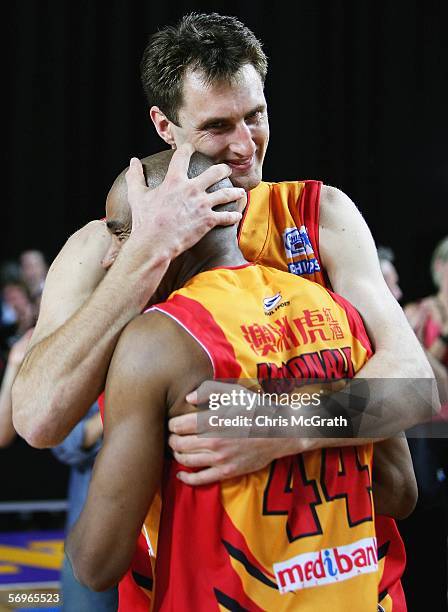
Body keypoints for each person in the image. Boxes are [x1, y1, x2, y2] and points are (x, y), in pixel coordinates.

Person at [11, 11, 433, 610]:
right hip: (174, 561)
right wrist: (147, 257)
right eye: (216, 127)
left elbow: (416, 391)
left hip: (338, 573)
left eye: (255, 115)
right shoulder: (104, 243)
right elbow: (38, 419)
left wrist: (276, 425)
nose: (244, 146)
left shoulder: (322, 214)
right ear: (165, 125)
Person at [67, 151, 416, 611]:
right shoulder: (339, 311)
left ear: (177, 220)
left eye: (121, 232)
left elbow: (96, 564)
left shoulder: (159, 340)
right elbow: (399, 492)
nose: (111, 257)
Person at [52, 403, 118, 612]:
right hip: (92, 534)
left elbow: (222, 412)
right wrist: (123, 407)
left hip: (176, 534)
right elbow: (62, 443)